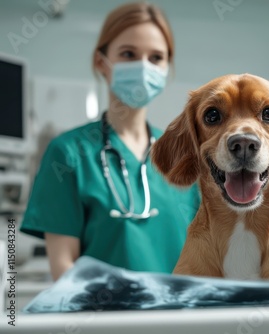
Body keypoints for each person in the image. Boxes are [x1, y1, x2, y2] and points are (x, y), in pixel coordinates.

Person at [21, 2, 200, 280]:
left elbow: (205, 254)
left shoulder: (184, 154)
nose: (143, 67)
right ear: (100, 62)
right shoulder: (68, 154)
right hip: (103, 322)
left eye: (156, 58)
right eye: (128, 54)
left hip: (180, 320)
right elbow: (63, 269)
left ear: (167, 68)